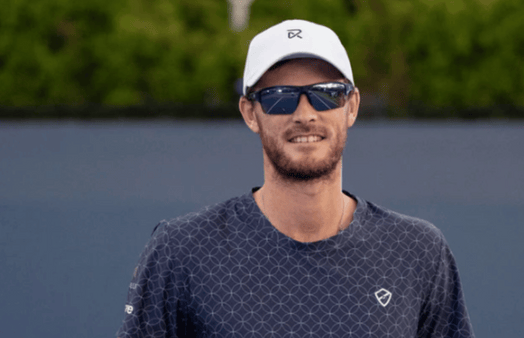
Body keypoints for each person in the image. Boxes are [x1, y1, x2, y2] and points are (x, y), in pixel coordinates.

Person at [117, 19, 475, 338]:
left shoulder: (417, 251)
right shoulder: (181, 251)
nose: (305, 114)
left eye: (326, 94)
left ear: (351, 106)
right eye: (279, 98)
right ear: (250, 113)